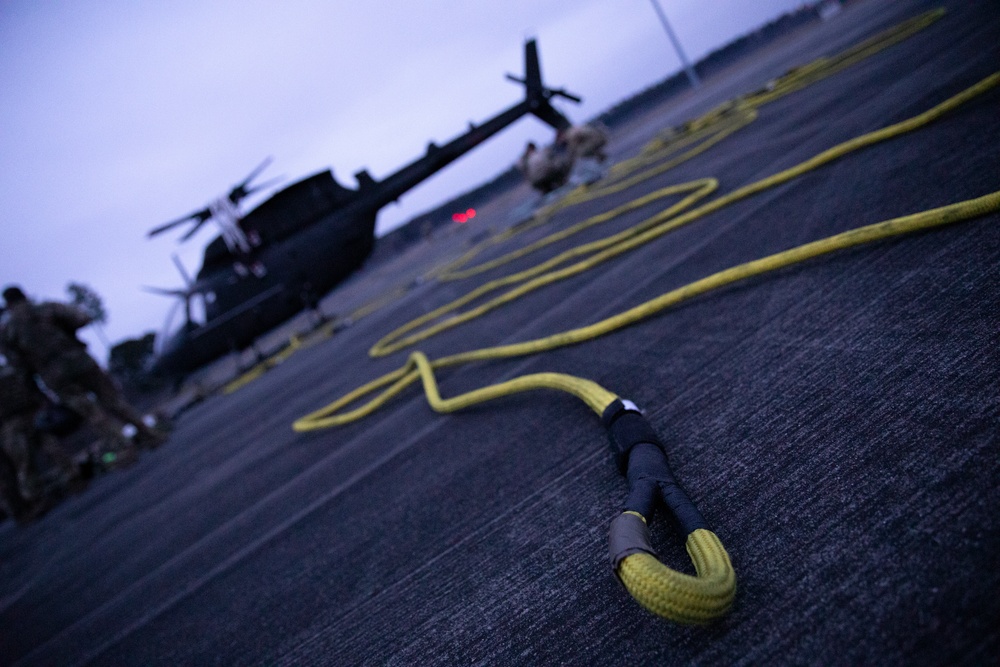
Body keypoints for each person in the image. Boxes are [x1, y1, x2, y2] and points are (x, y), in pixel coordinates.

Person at [0, 285, 167, 453]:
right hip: (79, 361)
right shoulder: (46, 308)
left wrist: (38, 391)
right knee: (113, 400)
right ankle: (148, 434)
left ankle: (124, 448)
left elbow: (19, 367)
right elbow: (82, 318)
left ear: (8, 304)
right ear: (25, 295)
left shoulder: (8, 331)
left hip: (53, 375)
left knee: (91, 413)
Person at [0, 360, 80, 510]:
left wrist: (43, 402)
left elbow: (30, 386)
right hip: (11, 423)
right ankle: (36, 497)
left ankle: (72, 478)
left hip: (31, 414)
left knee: (51, 448)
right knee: (24, 461)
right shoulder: (11, 369)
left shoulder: (11, 369)